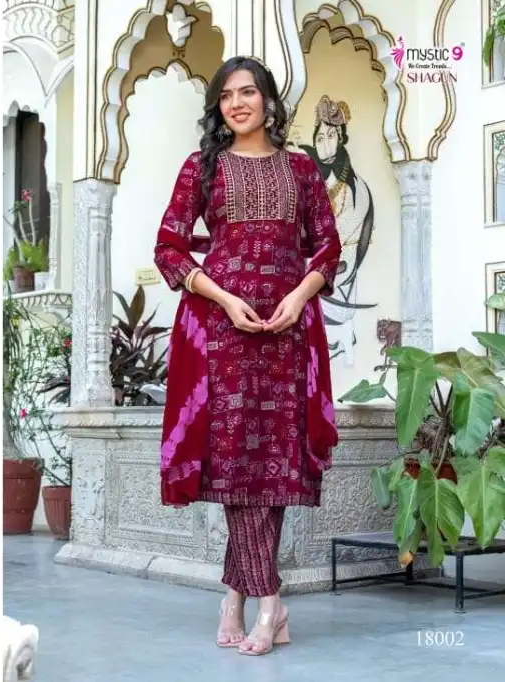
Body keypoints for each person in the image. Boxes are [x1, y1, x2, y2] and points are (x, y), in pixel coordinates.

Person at [154, 55, 341, 657]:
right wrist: (224, 298)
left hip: (286, 333)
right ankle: (269, 603)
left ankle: (238, 597)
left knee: (274, 467)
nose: (237, 103)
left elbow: (328, 248)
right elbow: (169, 249)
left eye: (248, 92)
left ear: (268, 100)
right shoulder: (201, 168)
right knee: (237, 465)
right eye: (226, 96)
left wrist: (298, 296)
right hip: (224, 333)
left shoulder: (302, 169)